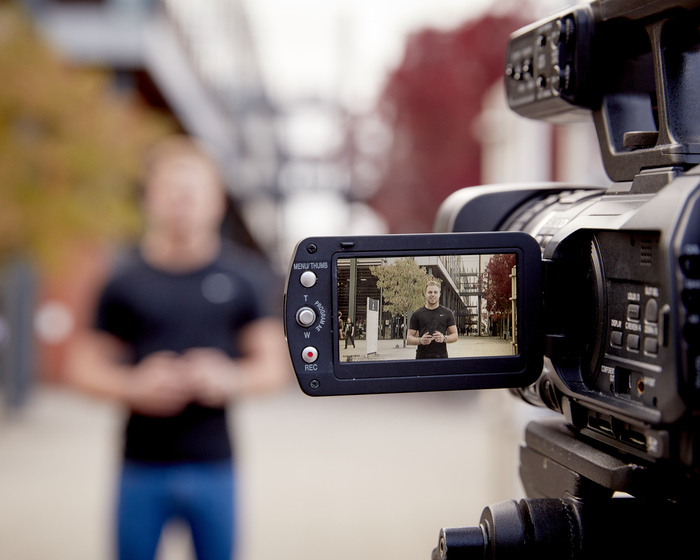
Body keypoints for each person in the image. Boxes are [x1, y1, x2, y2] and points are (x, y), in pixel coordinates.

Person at [65, 135, 290, 560]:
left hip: (215, 466)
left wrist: (229, 377)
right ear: (150, 198)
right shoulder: (123, 280)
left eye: (193, 192)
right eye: (172, 191)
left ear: (216, 201)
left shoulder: (245, 279)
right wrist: (134, 385)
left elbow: (272, 368)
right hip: (140, 467)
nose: (182, 202)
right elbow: (81, 367)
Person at [407, 281, 458, 359]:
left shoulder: (447, 313)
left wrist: (444, 338)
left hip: (441, 357)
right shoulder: (417, 314)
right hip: (422, 358)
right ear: (425, 294)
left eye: (435, 292)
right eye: (430, 292)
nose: (433, 294)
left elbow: (455, 336)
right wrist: (420, 340)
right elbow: (409, 338)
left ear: (439, 294)